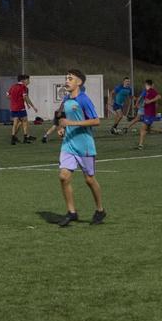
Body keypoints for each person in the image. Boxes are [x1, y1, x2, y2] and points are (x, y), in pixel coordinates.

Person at [54, 69, 106, 227]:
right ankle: (72, 212)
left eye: (70, 78)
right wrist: (61, 128)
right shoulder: (66, 100)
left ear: (79, 82)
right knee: (63, 177)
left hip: (84, 146)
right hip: (69, 144)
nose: (67, 80)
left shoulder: (84, 100)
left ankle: (100, 210)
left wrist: (72, 124)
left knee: (89, 180)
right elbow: (61, 118)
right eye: (66, 78)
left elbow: (96, 121)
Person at [126, 80, 162, 150]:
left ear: (148, 84)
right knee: (148, 129)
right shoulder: (147, 91)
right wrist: (138, 104)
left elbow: (159, 96)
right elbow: (142, 99)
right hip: (147, 112)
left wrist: (150, 101)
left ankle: (140, 145)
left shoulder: (152, 91)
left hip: (150, 113)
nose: (145, 86)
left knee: (143, 129)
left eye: (145, 84)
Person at [7, 74, 38, 144]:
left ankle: (13, 138)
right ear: (23, 80)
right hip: (20, 107)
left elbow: (8, 95)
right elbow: (25, 97)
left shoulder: (13, 86)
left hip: (13, 107)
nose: (28, 81)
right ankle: (25, 137)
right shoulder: (23, 87)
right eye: (27, 79)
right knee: (25, 121)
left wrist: (14, 100)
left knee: (16, 123)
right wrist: (33, 106)